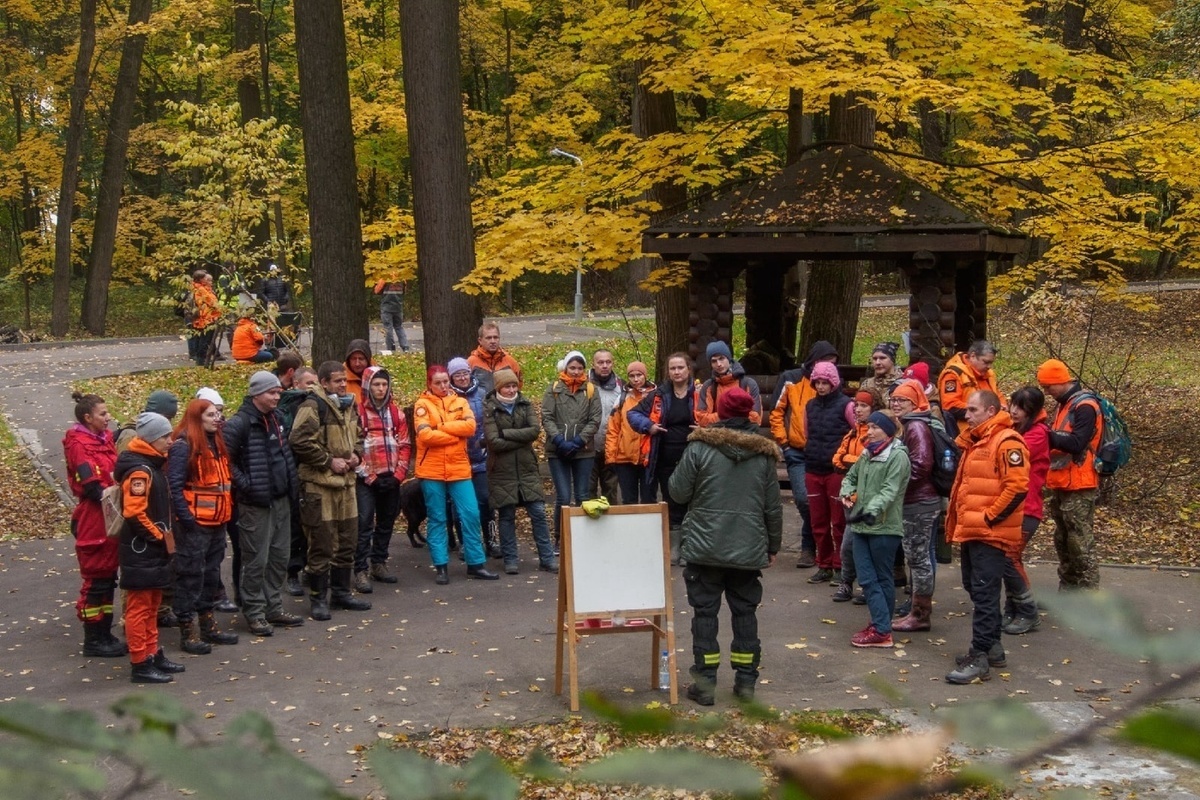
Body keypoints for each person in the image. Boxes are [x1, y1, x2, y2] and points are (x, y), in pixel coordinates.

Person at [668, 387, 782, 705]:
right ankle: (746, 683)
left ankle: (704, 685)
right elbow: (772, 507)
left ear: (719, 411)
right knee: (745, 614)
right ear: (749, 414)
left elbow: (677, 492)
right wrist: (773, 545)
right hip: (747, 549)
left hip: (705, 547)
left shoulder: (700, 448)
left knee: (705, 615)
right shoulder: (763, 456)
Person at [944, 390, 1029, 684]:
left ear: (990, 411)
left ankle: (979, 654)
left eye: (972, 410)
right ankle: (992, 646)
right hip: (973, 530)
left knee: (984, 593)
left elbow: (1017, 487)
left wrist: (989, 518)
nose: (966, 415)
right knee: (975, 586)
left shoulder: (1006, 442)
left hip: (989, 532)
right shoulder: (977, 441)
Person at [291, 362, 373, 619]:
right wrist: (328, 460)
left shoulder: (349, 404)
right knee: (322, 541)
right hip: (320, 486)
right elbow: (299, 440)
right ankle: (318, 598)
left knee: (348, 538)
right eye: (337, 381)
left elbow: (359, 435)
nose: (342, 384)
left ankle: (341, 593)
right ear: (324, 383)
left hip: (346, 484)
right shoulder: (312, 406)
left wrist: (356, 456)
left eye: (344, 381)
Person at [224, 371, 303, 635]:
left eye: (278, 392)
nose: (277, 396)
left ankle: (274, 607)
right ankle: (254, 611)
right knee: (256, 560)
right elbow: (226, 462)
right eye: (272, 393)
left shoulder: (277, 418)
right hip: (255, 504)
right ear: (257, 394)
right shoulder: (239, 424)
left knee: (280, 557)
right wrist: (248, 485)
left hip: (282, 499)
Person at [114, 412, 186, 683]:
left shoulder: (152, 466)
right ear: (152, 439)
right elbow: (134, 512)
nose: (170, 441)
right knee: (140, 606)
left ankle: (152, 652)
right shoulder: (140, 472)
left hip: (150, 549)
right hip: (142, 549)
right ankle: (140, 662)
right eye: (166, 437)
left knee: (153, 604)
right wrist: (158, 536)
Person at [414, 365, 499, 584]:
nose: (443, 386)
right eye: (438, 383)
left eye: (445, 382)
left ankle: (476, 563)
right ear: (429, 384)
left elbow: (470, 428)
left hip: (459, 467)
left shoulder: (460, 402)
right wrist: (453, 434)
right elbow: (425, 436)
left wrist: (440, 426)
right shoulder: (422, 405)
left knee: (470, 514)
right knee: (438, 518)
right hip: (431, 470)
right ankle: (441, 566)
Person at [166, 399, 238, 655]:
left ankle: (208, 626)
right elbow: (174, 486)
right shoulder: (183, 446)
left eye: (218, 413)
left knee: (211, 574)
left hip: (217, 523)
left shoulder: (216, 444)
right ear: (198, 418)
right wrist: (187, 520)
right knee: (189, 576)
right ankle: (188, 630)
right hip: (194, 526)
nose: (217, 418)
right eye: (210, 414)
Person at [839, 410, 910, 648]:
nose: (869, 432)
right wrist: (846, 494)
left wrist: (867, 511)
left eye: (874, 428)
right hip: (861, 525)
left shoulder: (897, 456)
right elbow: (850, 477)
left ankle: (881, 631)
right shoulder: (868, 453)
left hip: (884, 527)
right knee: (873, 578)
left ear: (887, 430)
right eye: (868, 427)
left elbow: (890, 491)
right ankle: (882, 625)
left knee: (875, 578)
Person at [63, 392, 125, 658]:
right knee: (96, 578)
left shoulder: (104, 440)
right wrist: (110, 494)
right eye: (102, 414)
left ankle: (104, 633)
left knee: (108, 577)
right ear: (88, 418)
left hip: (107, 515)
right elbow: (90, 486)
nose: (107, 417)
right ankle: (94, 638)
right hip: (95, 517)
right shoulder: (79, 444)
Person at [769, 340, 839, 569]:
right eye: (826, 361)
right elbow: (776, 412)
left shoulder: (834, 384)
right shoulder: (791, 379)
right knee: (803, 499)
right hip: (797, 451)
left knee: (824, 503)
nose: (830, 367)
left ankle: (814, 548)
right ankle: (812, 544)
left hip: (824, 452)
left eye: (833, 364)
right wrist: (784, 443)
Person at [483, 367, 558, 574]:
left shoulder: (525, 404)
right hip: (501, 471)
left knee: (538, 513)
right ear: (499, 387)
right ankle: (511, 560)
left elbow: (534, 431)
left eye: (513, 385)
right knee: (506, 516)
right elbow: (493, 442)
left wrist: (506, 433)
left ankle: (547, 558)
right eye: (507, 386)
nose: (511, 389)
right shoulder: (490, 408)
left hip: (527, 469)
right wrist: (520, 439)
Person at [1036, 358, 1101, 591]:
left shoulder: (1084, 406)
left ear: (1059, 381)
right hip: (1064, 482)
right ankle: (1069, 590)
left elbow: (1077, 443)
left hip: (1080, 484)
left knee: (1080, 543)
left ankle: (1089, 594)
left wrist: (1045, 434)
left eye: (1048, 386)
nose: (1047, 392)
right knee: (1063, 541)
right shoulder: (1066, 403)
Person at [628, 352, 698, 565]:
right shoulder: (659, 395)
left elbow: (716, 415)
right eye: (672, 368)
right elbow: (632, 414)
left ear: (688, 370)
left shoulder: (700, 393)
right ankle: (674, 548)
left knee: (692, 500)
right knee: (671, 499)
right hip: (664, 457)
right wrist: (648, 426)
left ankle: (690, 547)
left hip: (693, 457)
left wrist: (706, 428)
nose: (676, 372)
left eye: (680, 368)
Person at [887, 379, 942, 632]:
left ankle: (920, 614)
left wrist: (895, 486)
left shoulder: (916, 426)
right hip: (917, 500)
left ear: (914, 402)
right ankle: (917, 611)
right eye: (894, 399)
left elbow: (920, 465)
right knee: (918, 558)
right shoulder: (911, 424)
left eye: (902, 400)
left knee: (919, 560)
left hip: (919, 502)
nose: (896, 403)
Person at [354, 366, 411, 591]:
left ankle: (379, 562)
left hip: (391, 477)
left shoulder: (396, 413)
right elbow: (353, 450)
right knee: (364, 522)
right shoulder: (357, 413)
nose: (380, 388)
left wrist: (398, 475)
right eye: (376, 384)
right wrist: (370, 476)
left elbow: (405, 444)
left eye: (384, 384)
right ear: (368, 386)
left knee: (387, 521)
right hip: (367, 479)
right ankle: (360, 569)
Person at [541, 350, 602, 551]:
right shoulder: (554, 389)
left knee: (583, 494)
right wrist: (559, 440)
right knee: (564, 496)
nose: (576, 372)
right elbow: (547, 416)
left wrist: (578, 441)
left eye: (579, 368)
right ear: (565, 368)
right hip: (557, 450)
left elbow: (595, 419)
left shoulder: (591, 390)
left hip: (583, 450)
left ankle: (583, 537)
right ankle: (560, 537)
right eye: (572, 367)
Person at [803, 361, 855, 585]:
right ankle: (823, 563)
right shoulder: (810, 406)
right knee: (818, 522)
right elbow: (807, 433)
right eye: (818, 382)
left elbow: (856, 433)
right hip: (813, 468)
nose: (821, 386)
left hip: (836, 471)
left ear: (834, 383)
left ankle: (840, 566)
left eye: (825, 382)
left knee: (839, 522)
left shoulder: (847, 405)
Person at [1004, 386, 1051, 634]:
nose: (1014, 411)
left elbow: (1008, 454)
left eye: (1021, 408)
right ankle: (1014, 608)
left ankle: (1027, 611)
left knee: (1008, 559)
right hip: (1014, 507)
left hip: (1027, 507)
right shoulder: (1015, 430)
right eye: (1013, 404)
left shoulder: (1037, 434)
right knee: (1010, 559)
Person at [448, 357, 500, 560]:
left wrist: (485, 440)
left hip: (481, 458)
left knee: (486, 501)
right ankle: (466, 543)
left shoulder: (482, 394)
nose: (462, 377)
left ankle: (492, 540)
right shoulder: (448, 398)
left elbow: (491, 421)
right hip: (457, 459)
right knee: (458, 505)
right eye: (457, 374)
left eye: (464, 373)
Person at [831, 390, 878, 604]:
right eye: (856, 405)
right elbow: (837, 460)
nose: (857, 410)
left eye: (863, 406)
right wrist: (855, 461)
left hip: (869, 499)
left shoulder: (877, 433)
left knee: (867, 547)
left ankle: (868, 586)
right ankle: (846, 582)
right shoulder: (852, 433)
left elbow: (872, 462)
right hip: (850, 497)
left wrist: (853, 462)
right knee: (847, 545)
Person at [278, 366, 320, 596]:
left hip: (314, 471)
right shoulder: (288, 407)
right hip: (293, 473)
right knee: (295, 525)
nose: (312, 388)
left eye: (315, 383)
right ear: (295, 384)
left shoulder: (319, 405)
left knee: (315, 525)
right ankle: (293, 570)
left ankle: (312, 568)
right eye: (308, 383)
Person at [605, 360, 656, 504]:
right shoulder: (622, 399)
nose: (636, 379)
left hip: (647, 457)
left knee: (649, 499)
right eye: (632, 376)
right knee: (628, 501)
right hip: (625, 457)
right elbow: (613, 429)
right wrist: (611, 457)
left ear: (645, 375)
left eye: (639, 375)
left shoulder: (655, 397)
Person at [938, 340, 1004, 435]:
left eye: (991, 363)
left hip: (993, 425)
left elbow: (998, 395)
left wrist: (1003, 406)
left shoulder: (989, 375)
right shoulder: (954, 374)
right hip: (966, 430)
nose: (989, 366)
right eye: (986, 362)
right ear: (972, 356)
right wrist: (981, 411)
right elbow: (950, 406)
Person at [694, 340, 761, 427]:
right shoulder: (709, 386)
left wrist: (722, 416)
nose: (718, 364)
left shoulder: (748, 384)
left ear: (729, 359)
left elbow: (756, 418)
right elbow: (702, 419)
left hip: (744, 436)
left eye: (721, 358)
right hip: (717, 436)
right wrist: (735, 416)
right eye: (714, 361)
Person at [587, 349, 623, 502]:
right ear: (593, 364)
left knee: (610, 492)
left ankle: (610, 525)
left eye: (608, 362)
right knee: (588, 492)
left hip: (612, 447)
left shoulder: (621, 386)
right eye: (600, 362)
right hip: (588, 447)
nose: (604, 366)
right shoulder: (584, 384)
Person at [467, 321, 522, 393]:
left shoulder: (510, 362)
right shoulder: (471, 362)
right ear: (480, 340)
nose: (493, 341)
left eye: (495, 337)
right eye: (488, 338)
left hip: (503, 403)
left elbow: (518, 385)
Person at [858, 342, 905, 407]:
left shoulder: (903, 383)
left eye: (882, 358)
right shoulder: (867, 384)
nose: (877, 362)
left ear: (892, 360)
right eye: (874, 359)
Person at [191, 270, 222, 365]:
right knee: (205, 340)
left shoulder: (203, 288)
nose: (207, 279)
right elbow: (211, 302)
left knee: (205, 339)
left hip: (207, 317)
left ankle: (203, 359)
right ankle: (201, 360)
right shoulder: (201, 289)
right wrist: (220, 308)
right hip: (206, 318)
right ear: (200, 279)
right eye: (205, 278)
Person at [373, 278, 408, 354]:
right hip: (398, 308)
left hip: (386, 308)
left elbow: (376, 291)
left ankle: (391, 348)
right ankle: (405, 347)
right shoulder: (402, 278)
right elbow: (404, 292)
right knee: (399, 327)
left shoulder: (384, 278)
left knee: (388, 328)